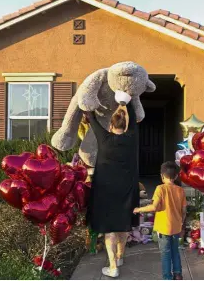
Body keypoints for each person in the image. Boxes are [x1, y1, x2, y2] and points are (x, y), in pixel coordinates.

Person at [84, 102, 139, 278]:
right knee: (123, 224)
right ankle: (120, 256)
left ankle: (113, 266)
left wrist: (87, 105)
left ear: (110, 125)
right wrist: (127, 102)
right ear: (125, 125)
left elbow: (91, 118)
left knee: (110, 229)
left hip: (106, 191)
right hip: (126, 190)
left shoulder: (104, 138)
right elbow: (134, 120)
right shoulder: (131, 137)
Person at [134, 162, 187, 280]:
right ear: (176, 176)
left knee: (165, 254)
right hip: (176, 226)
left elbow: (154, 207)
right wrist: (181, 222)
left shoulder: (160, 189)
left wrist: (139, 209)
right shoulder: (180, 190)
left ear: (162, 175)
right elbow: (184, 210)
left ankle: (167, 277)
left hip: (164, 228)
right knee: (175, 251)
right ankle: (178, 274)